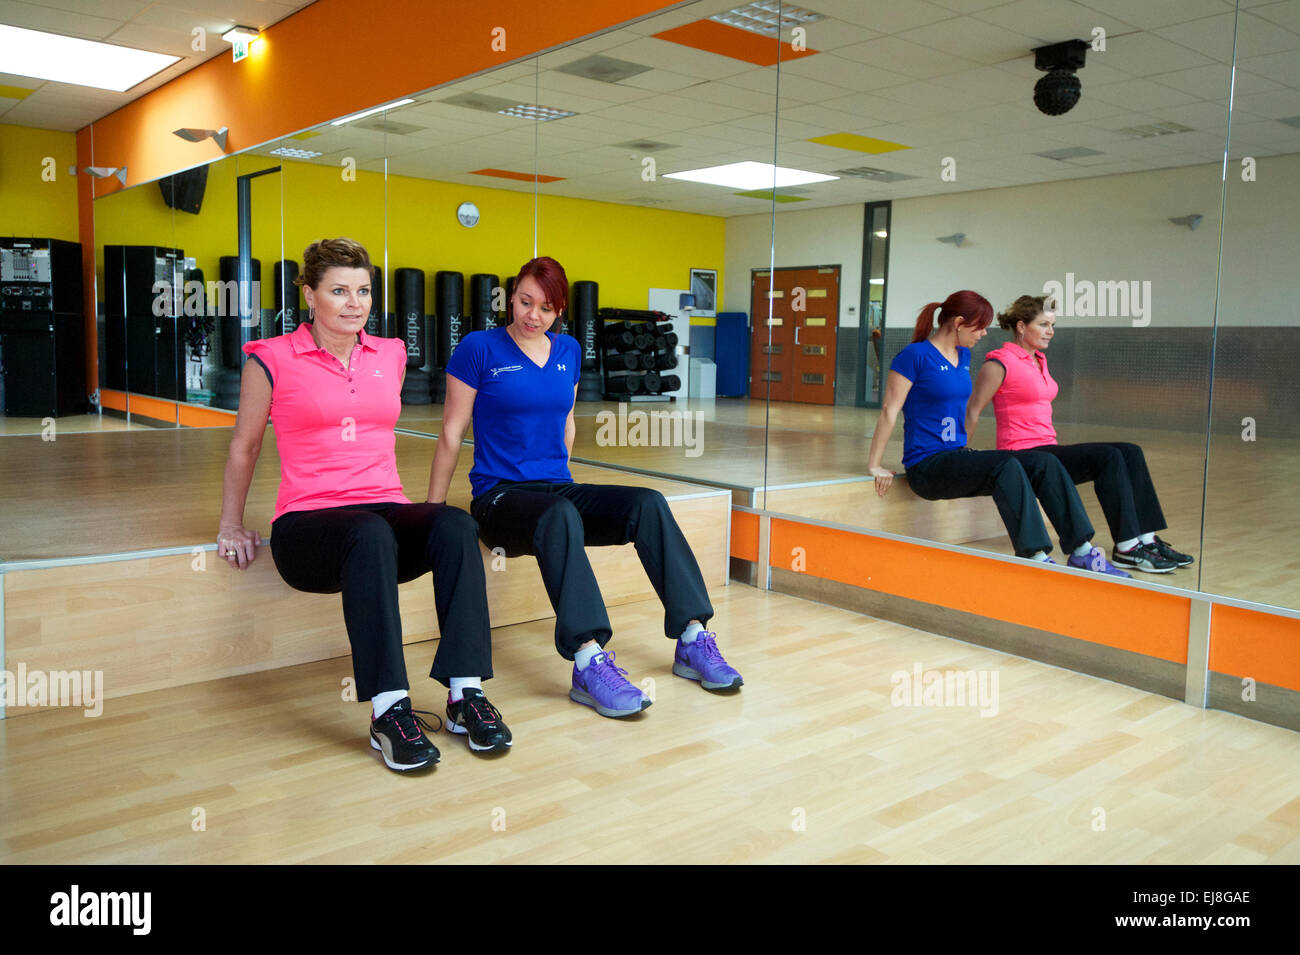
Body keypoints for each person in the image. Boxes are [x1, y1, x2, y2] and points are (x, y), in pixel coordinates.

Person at [217, 238, 509, 774]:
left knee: (452, 523)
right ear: (309, 295)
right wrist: (231, 523)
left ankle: (466, 694)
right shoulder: (271, 359)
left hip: (382, 511)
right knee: (369, 534)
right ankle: (389, 710)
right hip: (309, 528)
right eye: (339, 291)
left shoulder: (391, 354)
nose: (355, 303)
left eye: (364, 291)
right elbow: (246, 446)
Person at [426, 256, 742, 719]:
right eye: (526, 302)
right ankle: (588, 659)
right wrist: (433, 510)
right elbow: (452, 432)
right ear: (511, 296)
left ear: (560, 312)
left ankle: (693, 636)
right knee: (559, 515)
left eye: (547, 308)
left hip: (554, 487)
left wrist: (562, 479)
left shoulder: (568, 351)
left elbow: (568, 424)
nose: (534, 315)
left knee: (647, 504)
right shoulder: (478, 348)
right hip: (499, 498)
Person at [866, 290, 1129, 575]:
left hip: (954, 456)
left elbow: (963, 411)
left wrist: (963, 450)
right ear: (958, 323)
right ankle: (1034, 556)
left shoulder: (963, 356)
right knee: (1007, 464)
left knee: (1044, 462)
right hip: (927, 466)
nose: (983, 334)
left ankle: (1082, 552)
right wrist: (875, 464)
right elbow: (889, 411)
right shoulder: (913, 356)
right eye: (979, 327)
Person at [965, 295, 1193, 574]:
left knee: (1130, 451)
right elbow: (972, 410)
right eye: (1044, 324)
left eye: (1053, 325)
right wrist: (961, 454)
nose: (1051, 331)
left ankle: (1145, 539)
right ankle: (1126, 547)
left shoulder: (1039, 360)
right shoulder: (999, 363)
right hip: (1023, 452)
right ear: (1022, 327)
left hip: (1049, 448)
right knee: (1108, 457)